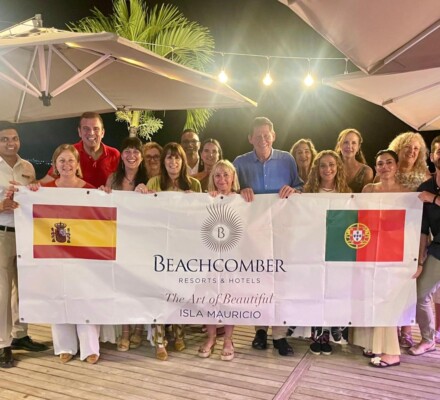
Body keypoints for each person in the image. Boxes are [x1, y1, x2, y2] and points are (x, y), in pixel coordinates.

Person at [233, 116, 302, 355]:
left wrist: (294, 190)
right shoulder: (240, 162)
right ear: (250, 138)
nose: (262, 139)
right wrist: (240, 191)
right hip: (252, 234)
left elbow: (300, 187)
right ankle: (260, 331)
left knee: (281, 281)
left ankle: (279, 335)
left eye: (266, 135)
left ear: (273, 136)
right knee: (258, 280)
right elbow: (229, 191)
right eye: (258, 136)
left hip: (282, 232)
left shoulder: (287, 159)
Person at [136, 142, 201, 360]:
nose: (173, 162)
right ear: (163, 162)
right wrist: (140, 192)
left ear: (183, 162)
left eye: (177, 158)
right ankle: (159, 341)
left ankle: (179, 334)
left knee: (180, 291)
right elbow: (144, 210)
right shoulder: (154, 182)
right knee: (159, 294)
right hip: (159, 247)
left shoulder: (193, 184)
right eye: (169, 158)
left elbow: (201, 215)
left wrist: (195, 202)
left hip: (182, 248)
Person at [0, 121, 48, 368]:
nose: (11, 143)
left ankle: (20, 334)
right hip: (2, 234)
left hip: (26, 234)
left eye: (15, 138)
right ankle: (2, 343)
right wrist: (1, 206)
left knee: (24, 288)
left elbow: (33, 196)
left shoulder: (27, 166)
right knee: (2, 292)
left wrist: (36, 189)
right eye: (5, 139)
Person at [359, 149, 407, 368]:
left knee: (387, 300)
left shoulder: (407, 192)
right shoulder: (368, 190)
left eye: (389, 162)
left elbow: (415, 226)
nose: (384, 167)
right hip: (371, 251)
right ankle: (374, 344)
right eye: (380, 163)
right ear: (375, 167)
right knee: (372, 297)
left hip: (396, 253)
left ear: (396, 166)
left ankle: (392, 352)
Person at [103, 137, 148, 352]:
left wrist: (149, 194)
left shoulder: (150, 179)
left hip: (142, 240)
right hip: (119, 239)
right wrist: (102, 194)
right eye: (127, 151)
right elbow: (105, 207)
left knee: (140, 286)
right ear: (121, 155)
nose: (132, 155)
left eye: (136, 151)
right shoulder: (113, 178)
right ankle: (126, 330)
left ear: (142, 156)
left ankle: (139, 329)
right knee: (122, 286)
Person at [304, 150, 350, 355]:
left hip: (337, 249)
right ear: (317, 169)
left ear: (338, 167)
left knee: (333, 291)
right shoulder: (308, 192)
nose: (327, 169)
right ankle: (316, 335)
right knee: (316, 291)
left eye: (331, 164)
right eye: (323, 165)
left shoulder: (347, 193)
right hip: (314, 248)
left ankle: (330, 335)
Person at [387, 132, 430, 348]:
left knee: (409, 281)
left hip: (415, 234)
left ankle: (406, 330)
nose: (412, 151)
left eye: (416, 148)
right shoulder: (388, 171)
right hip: (391, 235)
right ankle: (392, 328)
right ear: (398, 148)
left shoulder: (425, 177)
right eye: (407, 147)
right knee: (392, 282)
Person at [198, 160, 242, 361]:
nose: (222, 179)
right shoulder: (206, 199)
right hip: (210, 257)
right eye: (217, 175)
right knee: (209, 297)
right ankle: (211, 337)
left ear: (233, 177)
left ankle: (228, 340)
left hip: (232, 258)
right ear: (212, 179)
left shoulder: (241, 200)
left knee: (229, 298)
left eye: (226, 175)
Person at [408, 135, 440, 356]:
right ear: (432, 156)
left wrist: (434, 199)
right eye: (439, 151)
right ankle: (428, 339)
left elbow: (431, 200)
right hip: (437, 247)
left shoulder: (429, 193)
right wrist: (419, 261)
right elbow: (422, 228)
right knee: (421, 293)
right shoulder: (426, 187)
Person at [40, 112, 120, 188]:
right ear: (79, 132)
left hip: (103, 198)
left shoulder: (114, 154)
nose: (91, 133)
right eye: (86, 129)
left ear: (102, 133)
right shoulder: (69, 152)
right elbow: (48, 179)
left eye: (96, 129)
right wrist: (34, 186)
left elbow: (123, 181)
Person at [335, 128, 373, 193]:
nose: (349, 146)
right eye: (345, 142)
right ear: (339, 145)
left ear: (358, 147)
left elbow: (367, 198)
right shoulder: (330, 168)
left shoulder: (367, 171)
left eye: (353, 143)